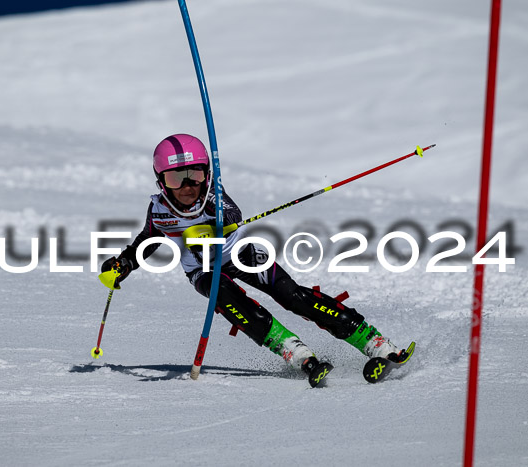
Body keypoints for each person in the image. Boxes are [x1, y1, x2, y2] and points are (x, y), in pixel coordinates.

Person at [101, 133, 410, 387]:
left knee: (293, 297)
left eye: (194, 175)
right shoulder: (159, 210)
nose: (186, 187)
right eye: (174, 179)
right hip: (203, 271)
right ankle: (294, 351)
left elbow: (233, 213)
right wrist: (124, 264)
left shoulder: (213, 196)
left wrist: (215, 226)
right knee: (228, 299)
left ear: (207, 174)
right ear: (160, 181)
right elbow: (147, 241)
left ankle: (374, 342)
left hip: (241, 253)